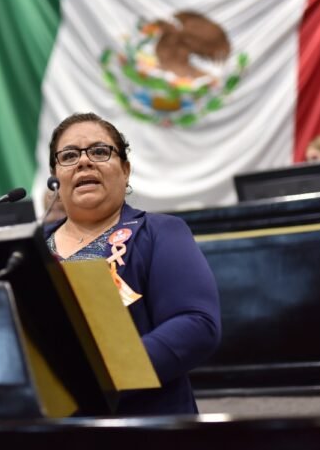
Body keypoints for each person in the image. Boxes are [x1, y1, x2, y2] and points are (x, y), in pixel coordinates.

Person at [44, 112, 221, 415]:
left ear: (125, 170)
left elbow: (196, 325)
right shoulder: (28, 250)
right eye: (69, 155)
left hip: (141, 425)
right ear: (55, 177)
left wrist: (98, 374)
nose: (84, 162)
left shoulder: (161, 232)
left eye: (100, 151)